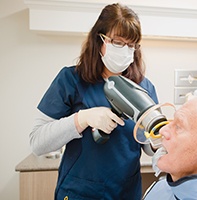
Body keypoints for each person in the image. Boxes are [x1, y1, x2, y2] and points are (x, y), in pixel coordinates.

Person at [30, 3, 158, 199]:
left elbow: (148, 147)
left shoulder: (144, 87)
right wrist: (82, 119)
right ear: (100, 40)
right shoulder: (71, 80)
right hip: (80, 192)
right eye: (117, 42)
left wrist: (159, 139)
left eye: (131, 44)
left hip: (126, 191)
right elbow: (38, 143)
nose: (125, 50)